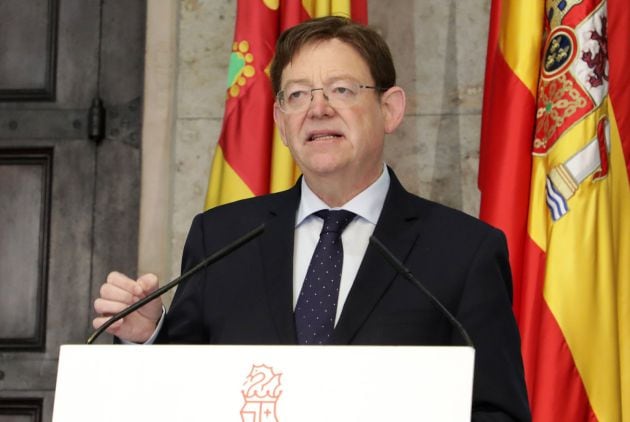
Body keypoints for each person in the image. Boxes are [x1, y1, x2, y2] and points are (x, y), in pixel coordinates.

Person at [93, 16, 531, 421]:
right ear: (282, 122)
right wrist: (150, 334)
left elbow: (497, 412)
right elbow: (185, 391)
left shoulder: (463, 251)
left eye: (341, 89)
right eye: (298, 94)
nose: (317, 109)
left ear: (390, 109)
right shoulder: (222, 237)